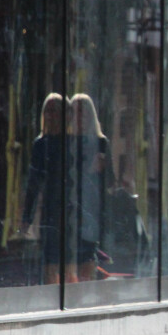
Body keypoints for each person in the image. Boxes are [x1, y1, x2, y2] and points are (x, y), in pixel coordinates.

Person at [19, 93, 69, 285]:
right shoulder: (41, 144)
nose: (49, 115)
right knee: (50, 258)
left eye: (54, 111)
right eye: (47, 110)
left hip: (70, 209)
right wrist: (27, 218)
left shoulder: (71, 142)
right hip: (50, 209)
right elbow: (33, 182)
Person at [69, 93, 112, 282]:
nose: (79, 117)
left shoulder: (100, 142)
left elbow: (108, 181)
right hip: (70, 208)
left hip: (90, 209)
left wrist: (99, 170)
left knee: (87, 255)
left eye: (83, 112)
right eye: (75, 112)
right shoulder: (67, 142)